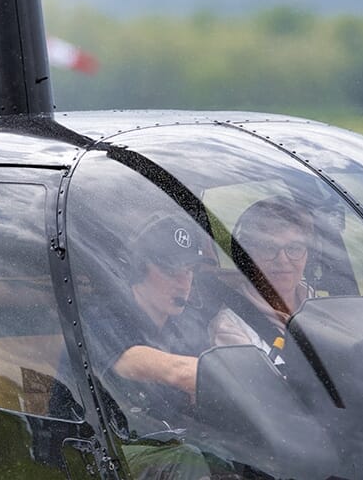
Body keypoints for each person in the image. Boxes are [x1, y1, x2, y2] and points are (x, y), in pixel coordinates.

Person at [82, 213, 220, 479]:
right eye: (171, 270)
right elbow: (168, 369)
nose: (183, 282)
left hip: (162, 439)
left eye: (189, 270)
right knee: (187, 459)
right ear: (139, 268)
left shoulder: (184, 324)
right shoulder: (101, 318)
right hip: (101, 447)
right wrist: (236, 377)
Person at [208, 195, 315, 356]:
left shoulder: (320, 307)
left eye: (294, 248)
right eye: (269, 247)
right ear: (247, 255)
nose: (283, 260)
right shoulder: (230, 328)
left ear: (308, 255)